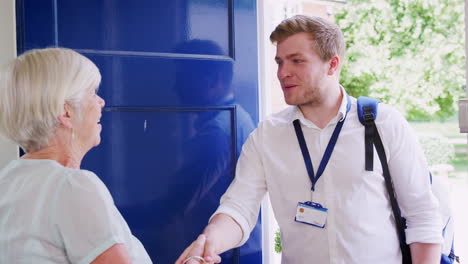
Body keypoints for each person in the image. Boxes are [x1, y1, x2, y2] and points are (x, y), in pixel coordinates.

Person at [176, 15, 443, 264]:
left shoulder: (383, 124)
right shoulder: (267, 135)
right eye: (280, 62)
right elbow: (238, 208)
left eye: (297, 61)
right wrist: (209, 241)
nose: (282, 73)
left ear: (332, 64)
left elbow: (422, 217)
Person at [0, 48, 152, 263]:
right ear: (66, 112)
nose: (101, 102)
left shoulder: (8, 180)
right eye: (92, 93)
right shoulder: (73, 186)